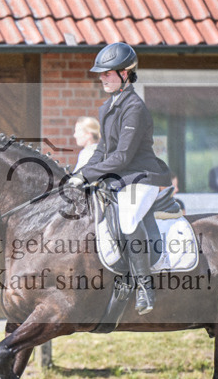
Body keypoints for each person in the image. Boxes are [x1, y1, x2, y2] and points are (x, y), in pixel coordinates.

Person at [70, 42, 172, 315]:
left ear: (124, 74)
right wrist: (78, 175)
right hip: (121, 179)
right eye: (101, 74)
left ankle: (145, 288)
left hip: (143, 177)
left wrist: (87, 175)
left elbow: (123, 156)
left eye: (107, 73)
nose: (102, 78)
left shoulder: (135, 107)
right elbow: (102, 151)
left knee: (127, 220)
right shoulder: (107, 107)